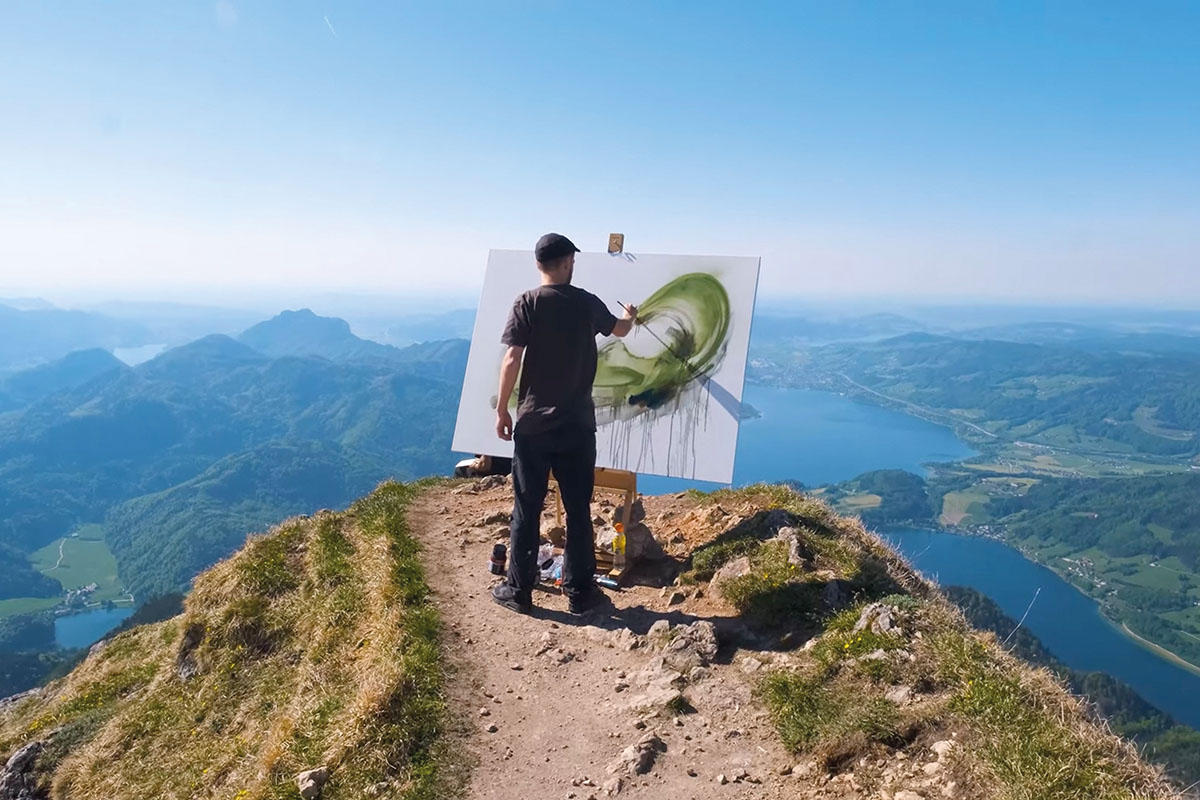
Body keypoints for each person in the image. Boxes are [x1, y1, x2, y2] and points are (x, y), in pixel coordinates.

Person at [491, 233, 637, 615]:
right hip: (577, 425)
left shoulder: (527, 302)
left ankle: (519, 591)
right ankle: (580, 594)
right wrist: (630, 316)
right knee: (577, 508)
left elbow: (511, 359)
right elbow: (619, 331)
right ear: (568, 261)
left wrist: (502, 410)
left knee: (527, 507)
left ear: (539, 265)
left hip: (533, 425)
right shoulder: (586, 303)